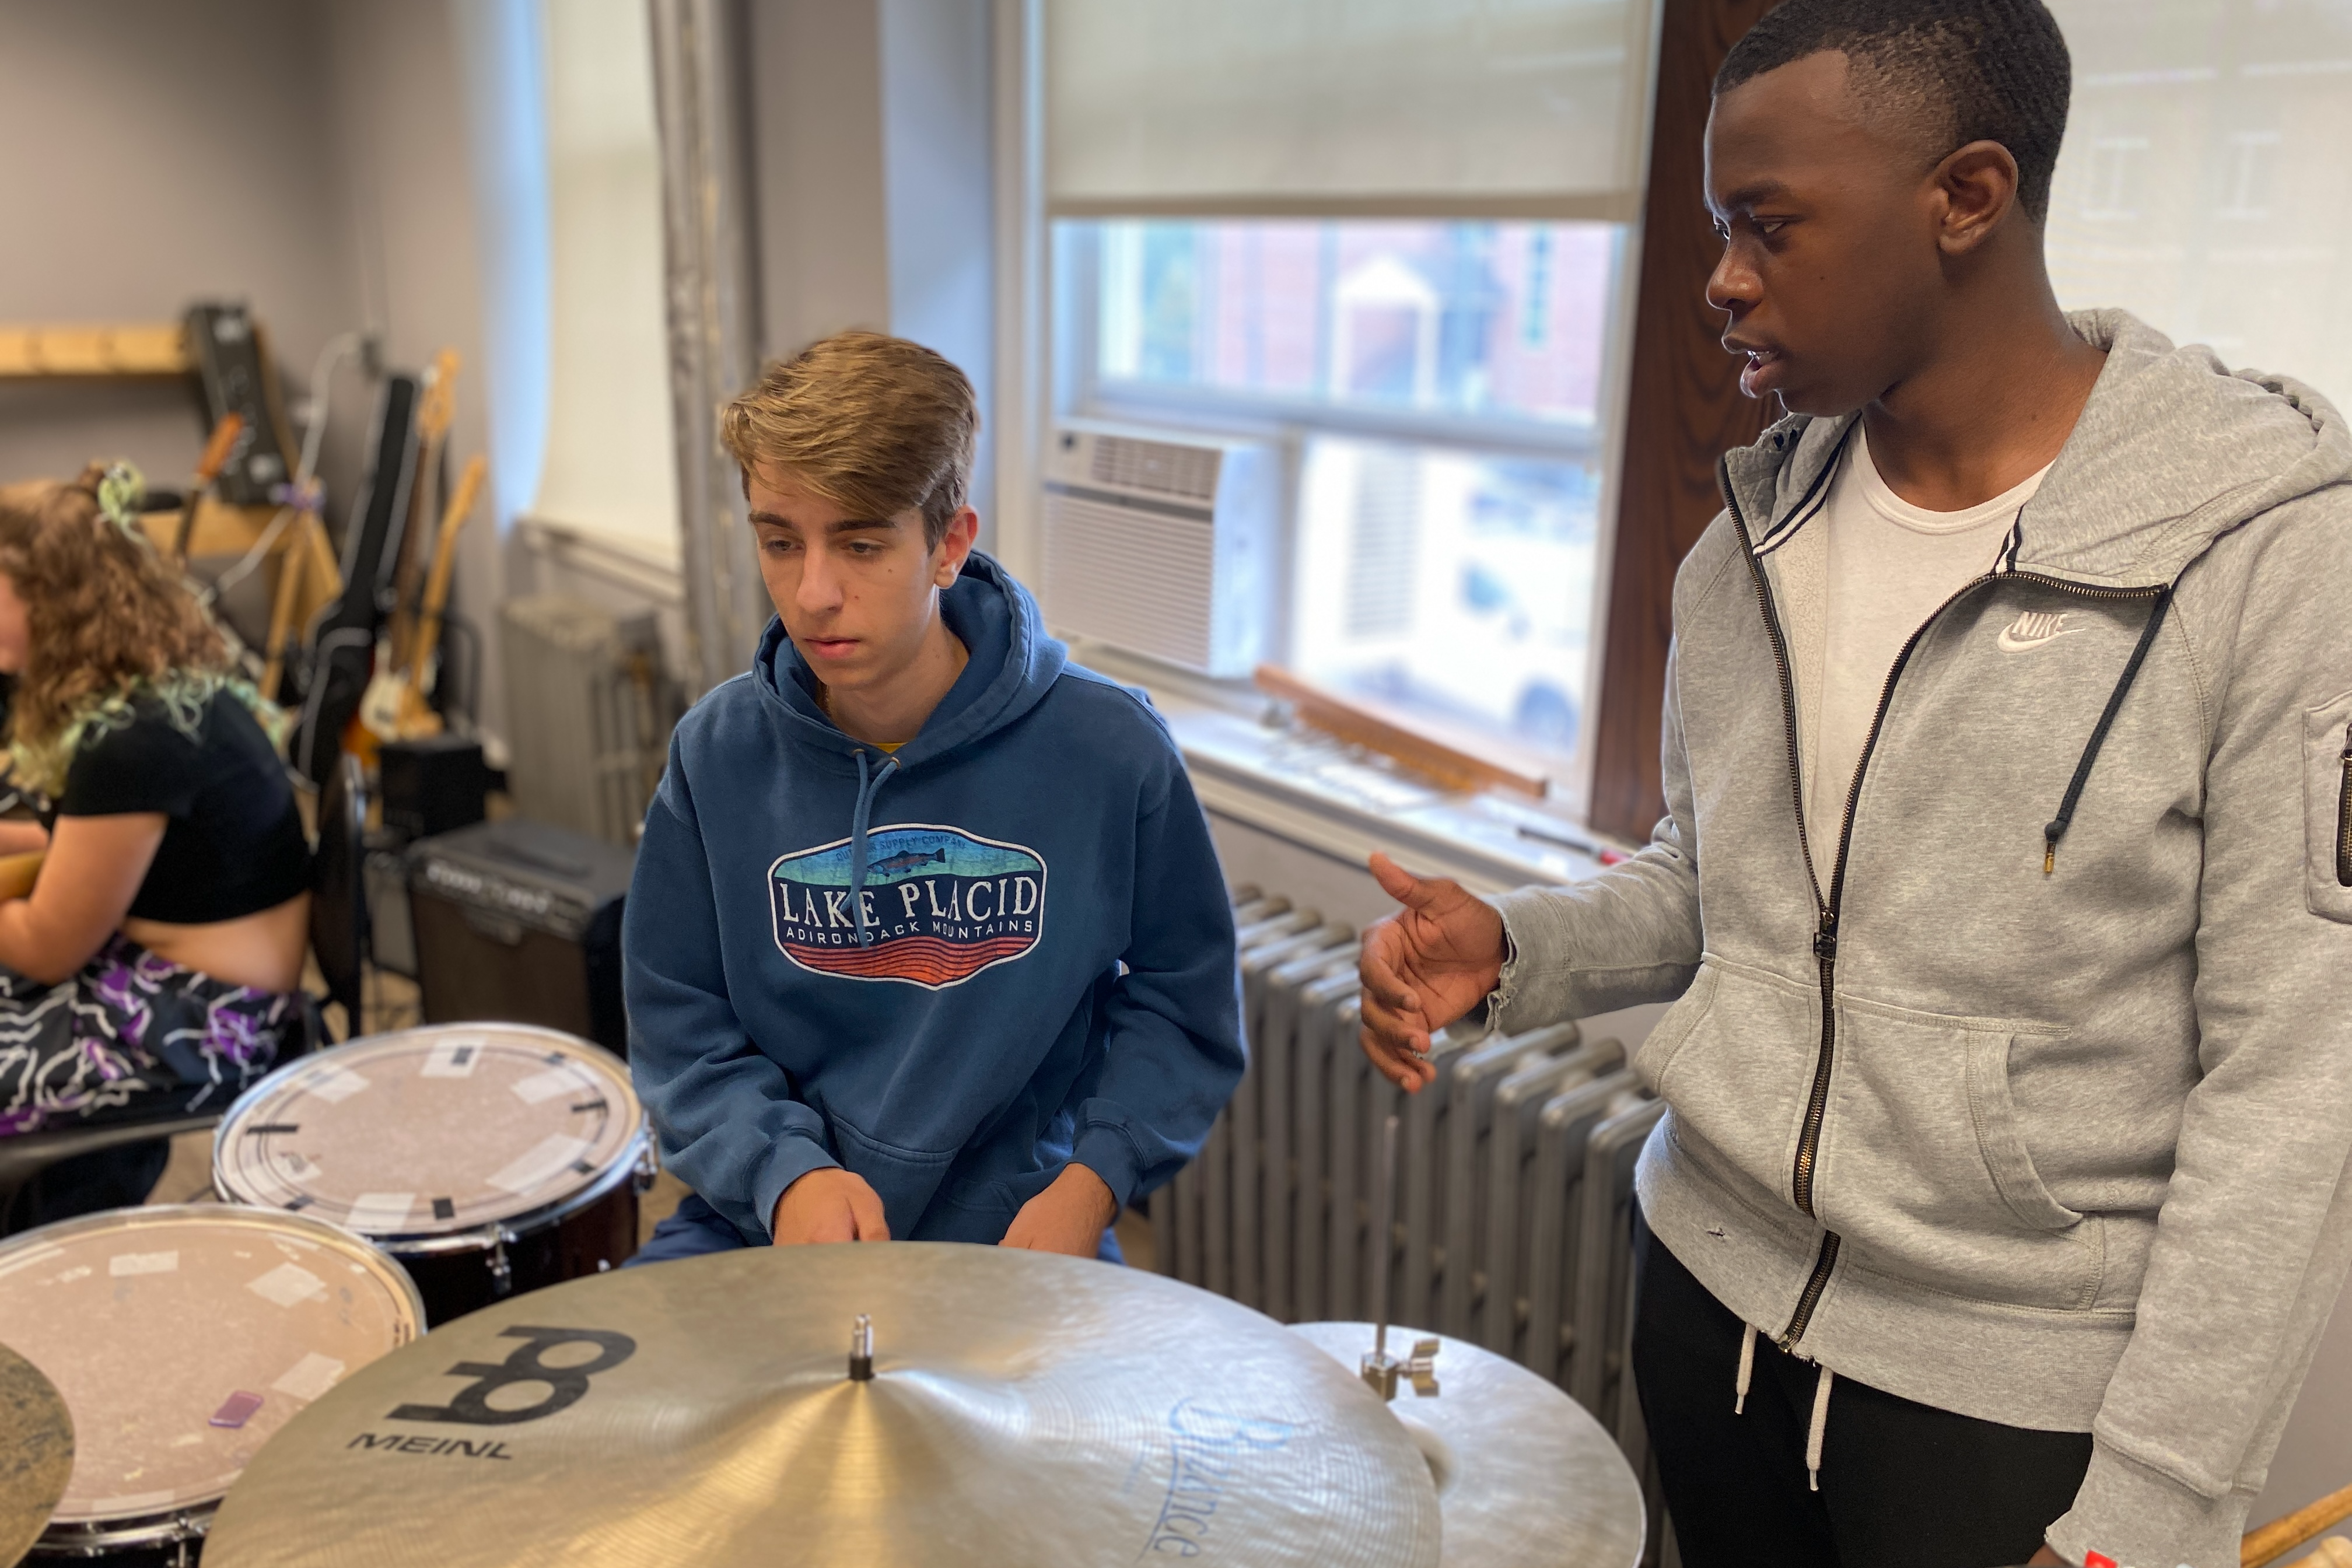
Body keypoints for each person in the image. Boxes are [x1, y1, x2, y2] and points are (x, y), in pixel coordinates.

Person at [1356, 3, 2352, 1565]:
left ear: (1966, 198)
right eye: (1718, 226)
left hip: (2009, 1407)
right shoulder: (1750, 535)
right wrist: (1523, 949)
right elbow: (1717, 887)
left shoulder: (2267, 557)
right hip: (1708, 1302)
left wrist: (2150, 1521)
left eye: (1770, 226)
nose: (1724, 279)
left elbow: (2295, 1091)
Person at [625, 331, 1244, 1264]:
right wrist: (780, 1173)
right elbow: (679, 1021)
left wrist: (1093, 1181)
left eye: (862, 544)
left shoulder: (1108, 751)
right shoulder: (716, 755)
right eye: (781, 543)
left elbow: (1183, 1001)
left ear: (950, 543)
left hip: (1020, 1230)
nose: (814, 593)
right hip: (772, 1218)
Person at [0, 464, 312, 1223]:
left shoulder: (129, 742)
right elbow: (74, 847)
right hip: (201, 980)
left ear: (50, 600)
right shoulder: (160, 692)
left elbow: (46, 946)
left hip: (202, 1021)